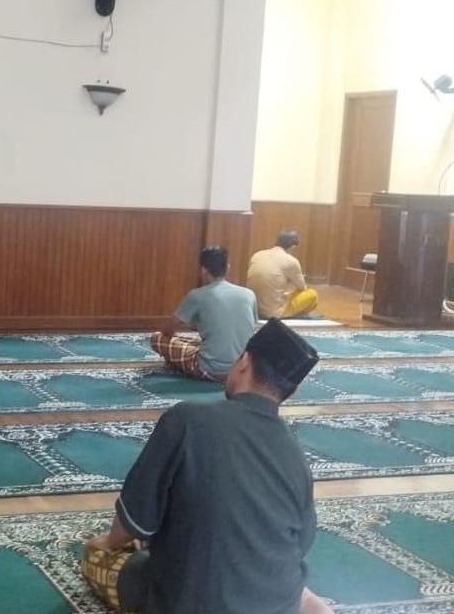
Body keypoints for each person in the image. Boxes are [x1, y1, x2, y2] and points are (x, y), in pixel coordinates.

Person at [81, 319, 332, 614]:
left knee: (100, 557)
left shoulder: (187, 418)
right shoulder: (296, 453)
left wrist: (107, 542)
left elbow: (134, 521)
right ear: (291, 392)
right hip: (275, 601)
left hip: (187, 601)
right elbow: (300, 543)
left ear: (243, 362)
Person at [150, 245, 257, 381]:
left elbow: (168, 329)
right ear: (227, 268)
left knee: (157, 338)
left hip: (209, 369)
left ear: (203, 270)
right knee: (194, 342)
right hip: (242, 370)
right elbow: (250, 327)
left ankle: (181, 365)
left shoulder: (197, 295)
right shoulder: (249, 294)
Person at [247, 229, 319, 319]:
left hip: (253, 308)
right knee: (312, 294)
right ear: (293, 246)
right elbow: (302, 287)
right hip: (273, 312)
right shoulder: (291, 261)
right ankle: (295, 315)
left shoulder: (257, 255)